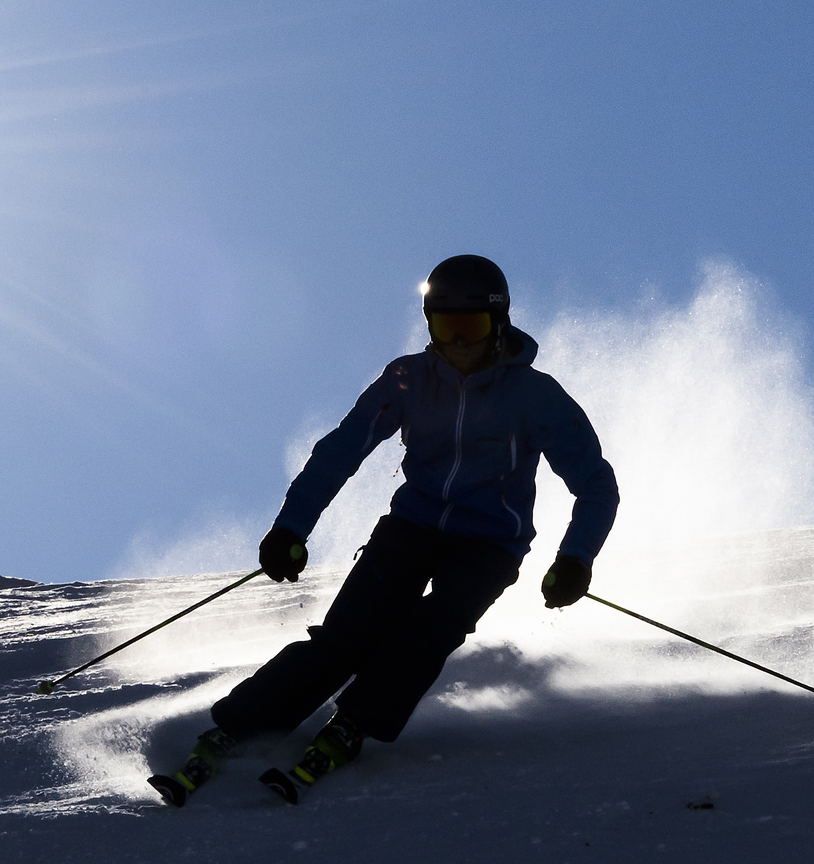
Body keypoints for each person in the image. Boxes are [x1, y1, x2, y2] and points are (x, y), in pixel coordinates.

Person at [152, 254, 619, 806]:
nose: (459, 342)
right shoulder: (408, 379)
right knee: (347, 634)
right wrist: (290, 528)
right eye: (446, 327)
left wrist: (575, 559)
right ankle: (239, 725)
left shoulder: (535, 396)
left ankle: (354, 722)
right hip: (412, 526)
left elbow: (596, 484)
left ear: (501, 324)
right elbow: (339, 452)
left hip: (489, 543)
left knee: (432, 627)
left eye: (472, 327)